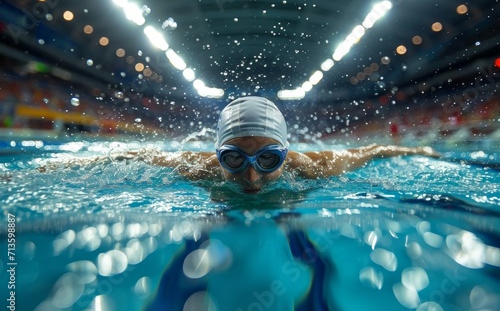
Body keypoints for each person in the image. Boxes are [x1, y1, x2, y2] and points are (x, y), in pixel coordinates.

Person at [121, 96, 439, 193]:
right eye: (233, 160)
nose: (252, 177)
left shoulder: (316, 168)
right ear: (217, 155)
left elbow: (373, 150)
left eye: (269, 160)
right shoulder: (197, 168)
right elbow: (138, 154)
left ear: (286, 155)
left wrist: (416, 151)